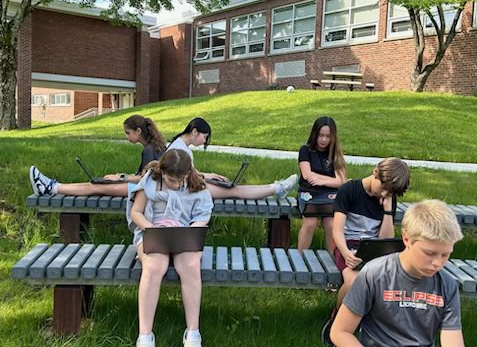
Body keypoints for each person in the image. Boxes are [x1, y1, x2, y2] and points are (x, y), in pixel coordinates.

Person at [330, 199, 465, 347]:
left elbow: (452, 339)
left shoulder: (446, 285)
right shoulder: (374, 274)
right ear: (406, 238)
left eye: (445, 255)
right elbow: (340, 331)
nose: (438, 263)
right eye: (429, 253)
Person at [127, 149, 213, 347]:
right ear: (161, 172)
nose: (176, 185)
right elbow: (136, 213)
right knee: (153, 267)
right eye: (171, 180)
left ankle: (192, 332)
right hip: (152, 232)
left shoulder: (196, 184)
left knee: (191, 266)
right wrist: (153, 228)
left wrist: (190, 230)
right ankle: (145, 335)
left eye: (180, 180)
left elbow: (202, 217)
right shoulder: (150, 181)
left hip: (184, 234)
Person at [321, 157, 410, 346]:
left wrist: (387, 211)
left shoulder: (387, 199)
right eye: (383, 187)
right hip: (346, 246)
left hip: (373, 247)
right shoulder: (350, 190)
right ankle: (337, 321)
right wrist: (345, 253)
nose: (385, 193)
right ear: (375, 172)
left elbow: (385, 239)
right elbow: (336, 230)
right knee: (354, 280)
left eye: (391, 192)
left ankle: (370, 324)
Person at [29, 115, 166, 197]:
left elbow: (144, 179)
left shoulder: (149, 150)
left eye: (127, 132)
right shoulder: (155, 146)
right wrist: (120, 177)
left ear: (138, 131)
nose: (126, 136)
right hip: (146, 189)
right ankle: (53, 186)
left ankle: (50, 188)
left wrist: (120, 178)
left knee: (96, 187)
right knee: (95, 183)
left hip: (143, 191)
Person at [168, 117, 298, 199]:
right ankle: (278, 188)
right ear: (195, 132)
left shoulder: (181, 146)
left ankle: (277, 187)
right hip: (186, 190)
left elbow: (190, 172)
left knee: (235, 188)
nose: (204, 141)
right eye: (204, 136)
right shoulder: (179, 149)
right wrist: (205, 178)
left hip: (190, 186)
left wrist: (210, 175)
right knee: (235, 190)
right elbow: (183, 177)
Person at [296, 116, 346, 254]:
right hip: (309, 192)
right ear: (315, 134)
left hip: (329, 195)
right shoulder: (306, 150)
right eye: (321, 135)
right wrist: (330, 180)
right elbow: (307, 175)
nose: (324, 140)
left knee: (331, 225)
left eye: (328, 136)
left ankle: (333, 259)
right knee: (310, 223)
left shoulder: (334, 153)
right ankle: (300, 257)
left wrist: (322, 181)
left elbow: (341, 180)